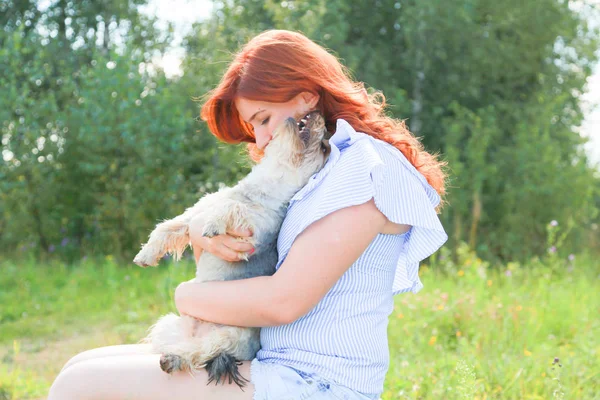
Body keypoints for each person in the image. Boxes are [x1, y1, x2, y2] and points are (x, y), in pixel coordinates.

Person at [48, 29, 448, 400]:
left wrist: (186, 295)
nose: (260, 139)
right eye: (252, 128)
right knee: (80, 365)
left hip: (317, 385)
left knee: (77, 386)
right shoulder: (319, 172)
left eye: (263, 119)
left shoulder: (366, 166)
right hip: (272, 365)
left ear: (307, 95)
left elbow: (283, 302)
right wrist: (206, 236)